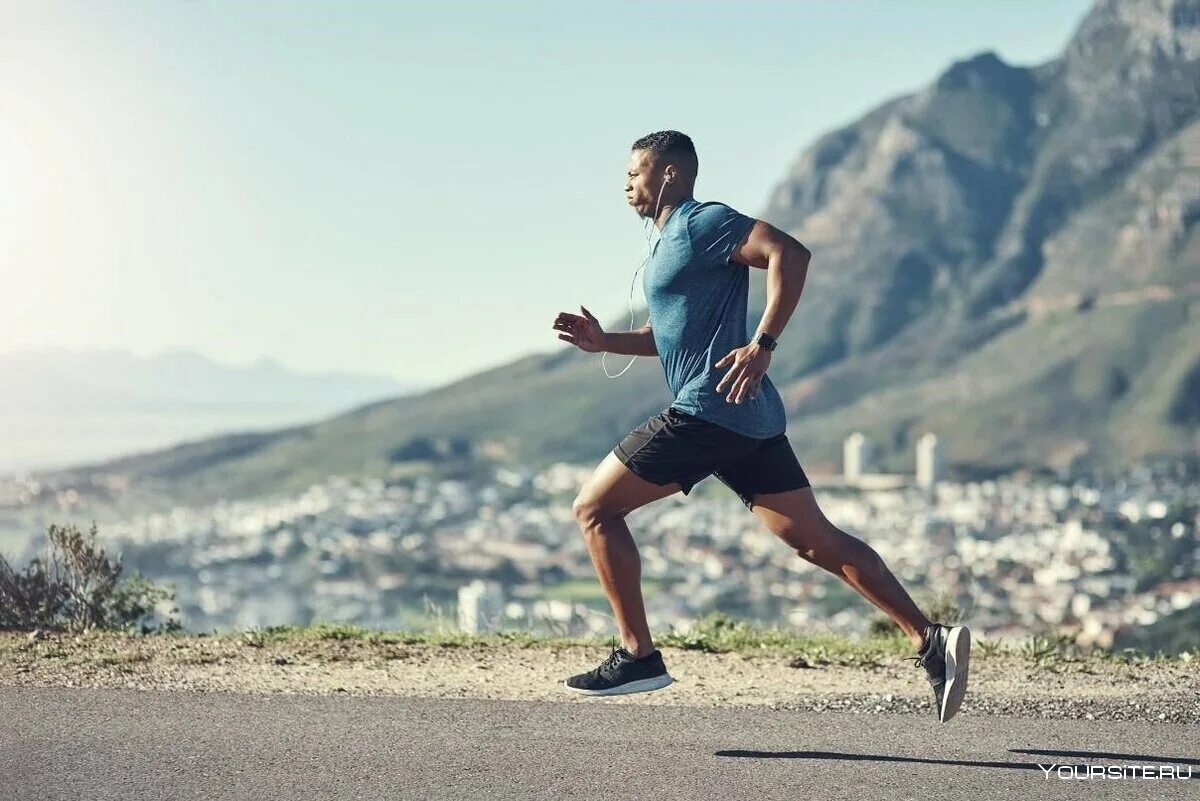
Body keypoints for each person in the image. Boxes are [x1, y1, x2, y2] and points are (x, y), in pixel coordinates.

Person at [550, 130, 970, 723]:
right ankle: (931, 642)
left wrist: (762, 343)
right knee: (813, 539)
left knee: (594, 510)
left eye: (634, 172)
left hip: (709, 409)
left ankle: (637, 655)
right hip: (745, 417)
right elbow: (664, 337)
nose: (626, 185)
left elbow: (790, 253)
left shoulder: (704, 222)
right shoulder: (673, 243)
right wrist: (603, 342)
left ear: (668, 174)